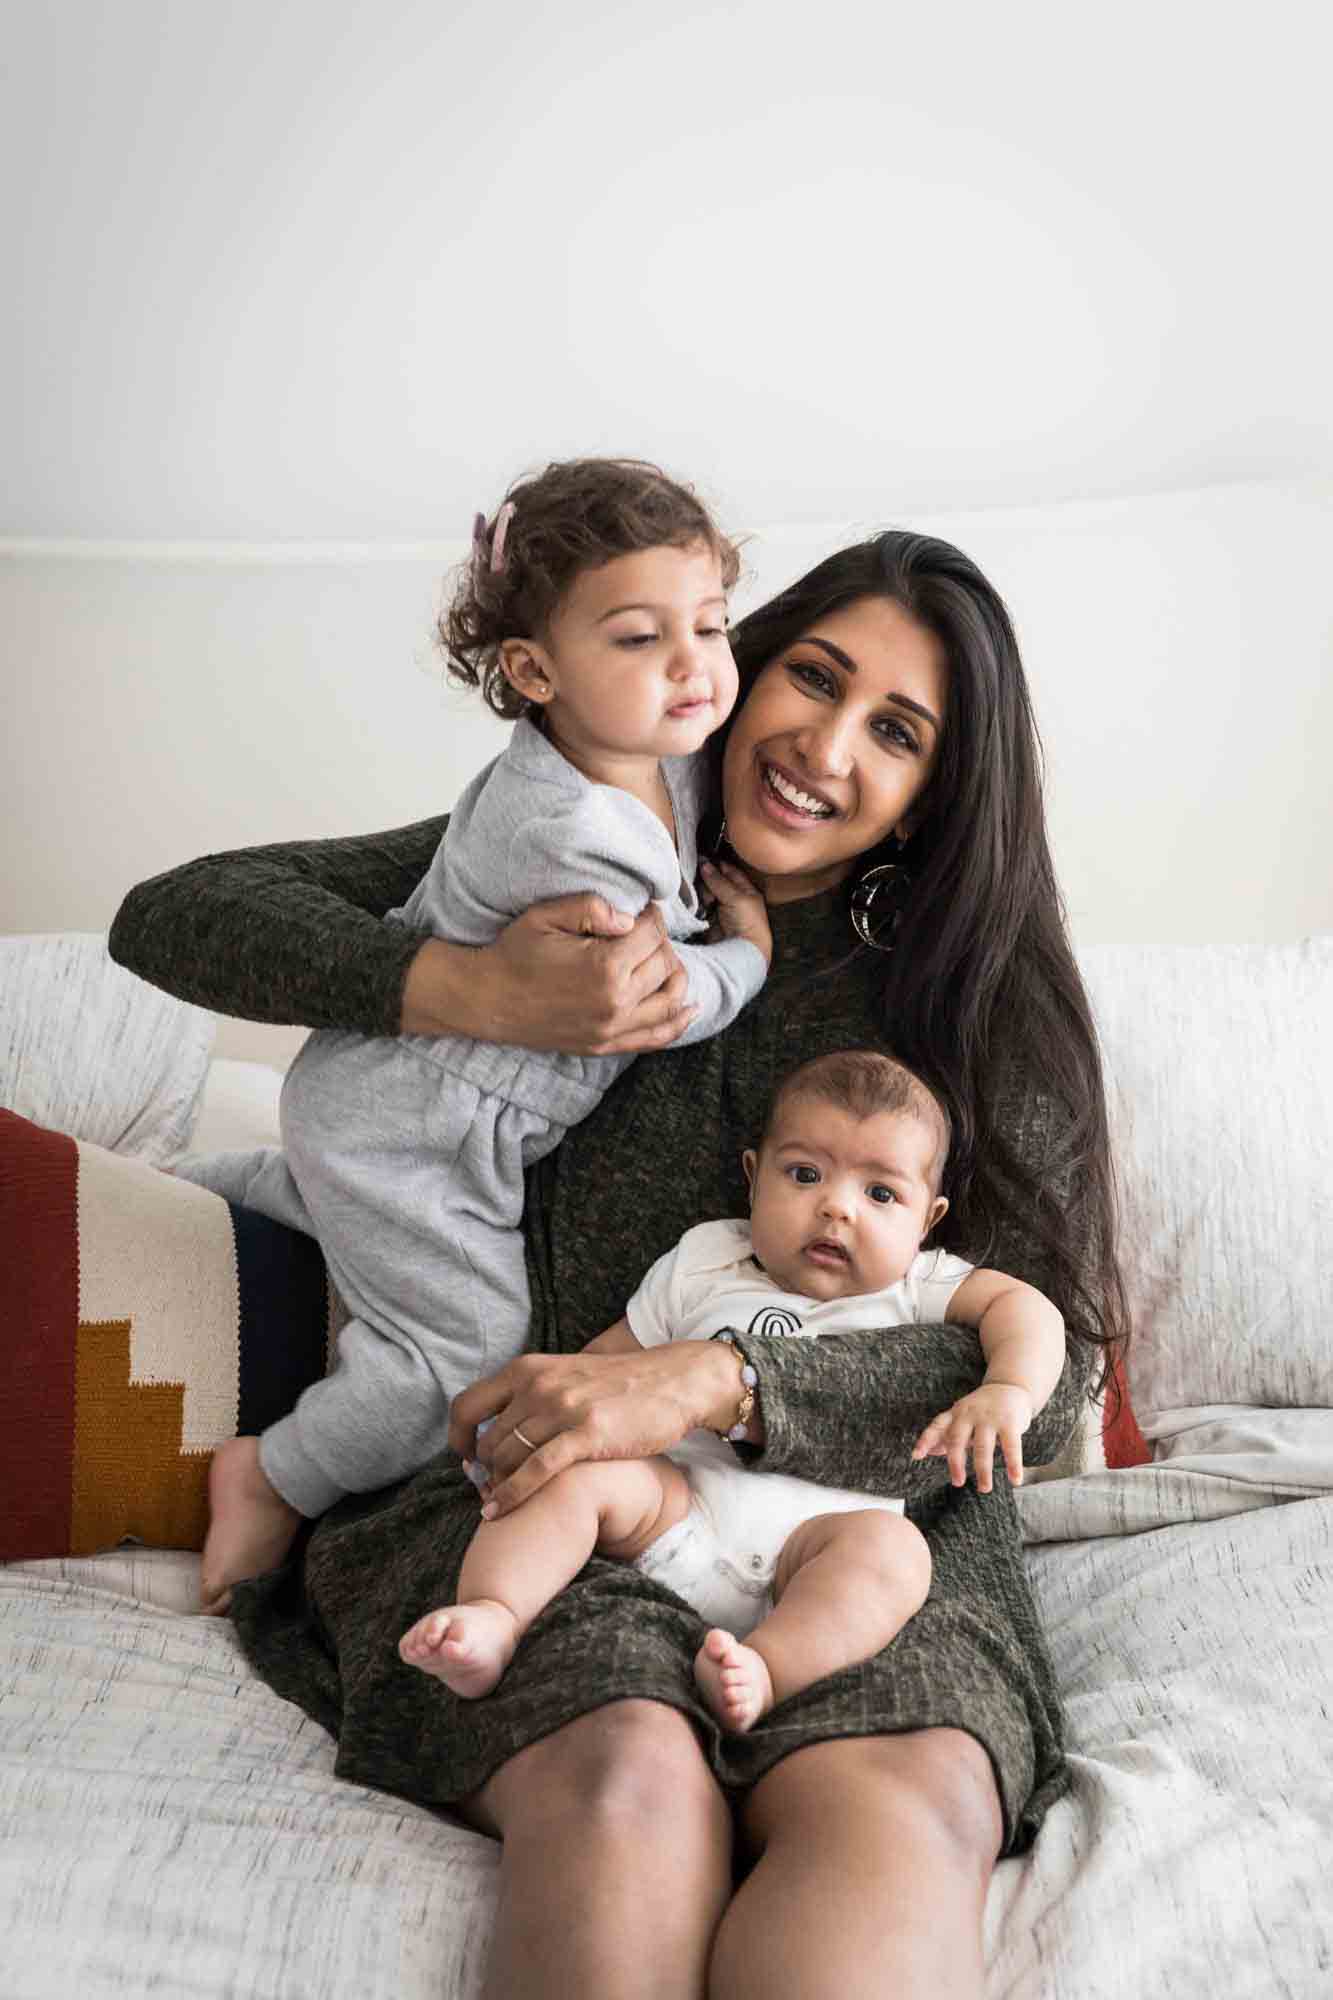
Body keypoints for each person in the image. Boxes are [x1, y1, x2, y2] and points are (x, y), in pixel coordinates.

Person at [110, 527, 1127, 2000]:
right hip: (528, 1482)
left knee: (899, 1816)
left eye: (893, 732)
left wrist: (715, 1382)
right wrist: (463, 983)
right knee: (628, 1780)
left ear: (929, 796)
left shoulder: (982, 997)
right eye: (812, 678)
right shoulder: (586, 831)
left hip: (869, 1534)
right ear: (737, 666)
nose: (824, 749)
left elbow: (1051, 1377)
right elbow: (175, 914)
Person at [171, 458, 773, 1613]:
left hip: (413, 1117)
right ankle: (276, 1474)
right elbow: (652, 999)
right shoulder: (561, 830)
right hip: (419, 1131)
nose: (694, 663)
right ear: (535, 670)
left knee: (359, 1210)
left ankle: (256, 1184)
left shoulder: (654, 759)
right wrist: (744, 952)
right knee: (462, 1351)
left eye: (710, 623)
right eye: (641, 638)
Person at [400, 1047, 1066, 1737]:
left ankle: (766, 1670)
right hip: (676, 1516)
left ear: (926, 1220)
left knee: (893, 1556)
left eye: (880, 1194)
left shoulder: (918, 1285)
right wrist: (543, 1425)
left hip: (810, 1553)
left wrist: (1009, 1389)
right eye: (804, 1174)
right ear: (753, 1178)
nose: (836, 1208)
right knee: (576, 1473)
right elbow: (602, 1371)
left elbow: (1026, 1310)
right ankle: (493, 1616)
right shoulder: (703, 1258)